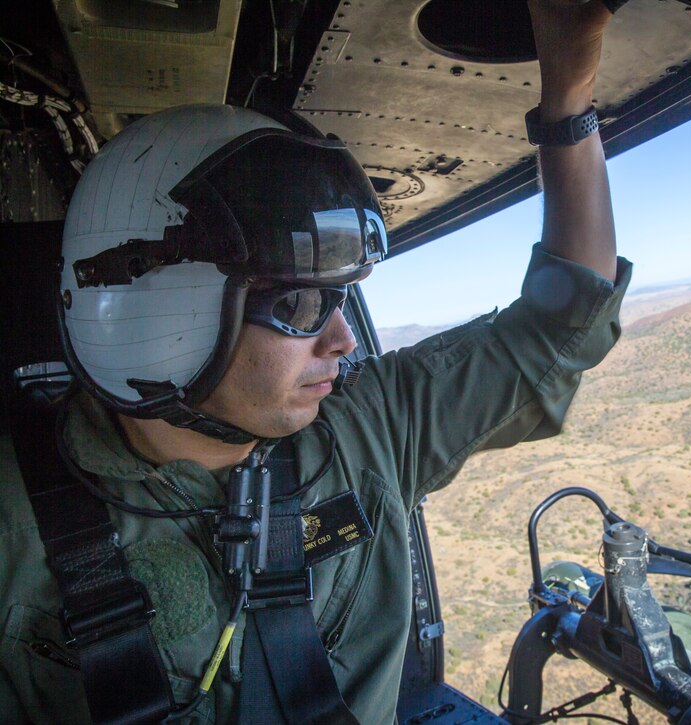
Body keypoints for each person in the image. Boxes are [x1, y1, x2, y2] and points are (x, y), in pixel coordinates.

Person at [0, 1, 630, 722]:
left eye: (340, 301)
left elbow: (563, 321)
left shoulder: (370, 424)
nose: (344, 341)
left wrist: (569, 89)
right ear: (161, 316)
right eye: (300, 307)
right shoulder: (14, 520)